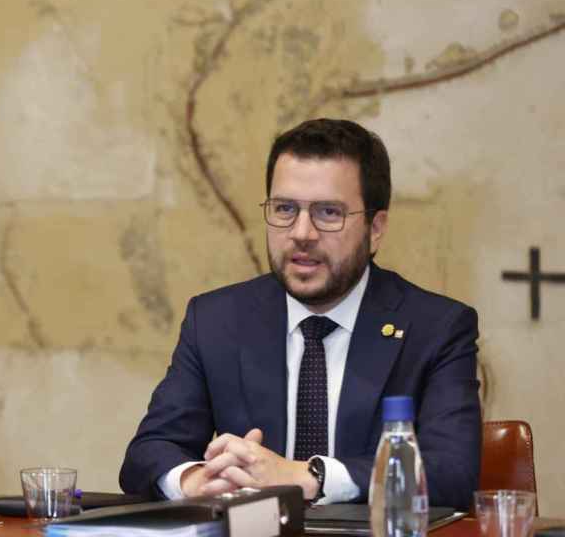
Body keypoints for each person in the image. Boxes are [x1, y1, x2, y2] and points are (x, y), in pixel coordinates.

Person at [119, 118, 480, 510]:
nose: (301, 233)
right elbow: (149, 453)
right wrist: (193, 480)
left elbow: (451, 473)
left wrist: (309, 477)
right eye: (285, 208)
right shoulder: (215, 320)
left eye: (328, 212)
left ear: (375, 228)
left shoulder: (436, 327)